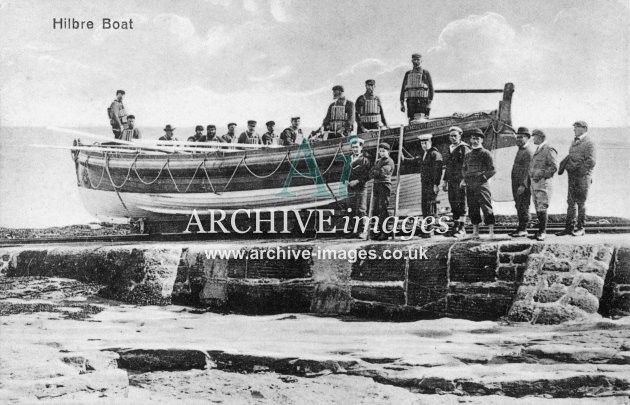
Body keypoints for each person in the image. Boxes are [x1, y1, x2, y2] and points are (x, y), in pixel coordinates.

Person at [557, 121, 595, 236]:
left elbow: (591, 161)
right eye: (574, 127)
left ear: (584, 128)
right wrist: (563, 166)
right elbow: (571, 156)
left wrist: (575, 167)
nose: (574, 129)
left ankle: (581, 228)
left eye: (576, 127)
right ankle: (569, 228)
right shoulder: (574, 142)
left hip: (583, 177)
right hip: (572, 177)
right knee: (570, 203)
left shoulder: (589, 143)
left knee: (581, 203)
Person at [404, 134, 443, 238]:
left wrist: (436, 184)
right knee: (425, 206)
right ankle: (428, 228)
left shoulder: (435, 154)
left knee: (431, 206)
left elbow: (438, 170)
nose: (424, 145)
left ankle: (430, 229)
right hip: (424, 184)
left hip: (431, 184)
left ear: (430, 142)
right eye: (422, 143)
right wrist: (403, 158)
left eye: (426, 143)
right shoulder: (424, 154)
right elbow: (415, 161)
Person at [461, 128, 496, 238]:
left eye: (477, 139)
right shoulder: (468, 155)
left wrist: (482, 177)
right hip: (470, 185)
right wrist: (464, 179)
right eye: (473, 139)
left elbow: (493, 170)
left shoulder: (486, 154)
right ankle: (475, 233)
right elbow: (464, 168)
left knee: (486, 207)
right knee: (473, 208)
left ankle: (491, 233)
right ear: (470, 140)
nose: (475, 141)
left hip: (481, 185)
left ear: (481, 140)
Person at [528, 129, 558, 241]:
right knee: (537, 207)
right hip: (535, 184)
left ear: (541, 137)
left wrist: (542, 174)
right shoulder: (539, 149)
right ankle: (540, 231)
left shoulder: (548, 149)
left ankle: (543, 232)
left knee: (542, 207)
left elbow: (554, 167)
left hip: (543, 184)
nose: (533, 139)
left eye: (534, 136)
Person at [442, 126, 470, 238]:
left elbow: (467, 165)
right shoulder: (451, 148)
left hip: (460, 180)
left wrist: (464, 179)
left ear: (460, 135)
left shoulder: (464, 148)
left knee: (462, 203)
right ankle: (455, 226)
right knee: (453, 202)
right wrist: (444, 181)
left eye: (455, 136)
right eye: (451, 136)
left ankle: (462, 228)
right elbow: (448, 167)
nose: (453, 138)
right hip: (451, 181)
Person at [510, 127, 535, 237]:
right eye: (517, 137)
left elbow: (529, 171)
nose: (518, 139)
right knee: (519, 205)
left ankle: (523, 229)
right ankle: (520, 227)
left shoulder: (528, 152)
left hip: (522, 185)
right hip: (516, 183)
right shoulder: (521, 150)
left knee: (523, 205)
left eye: (521, 137)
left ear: (527, 138)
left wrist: (523, 185)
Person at [345, 136, 371, 237]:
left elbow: (368, 175)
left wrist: (357, 181)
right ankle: (354, 230)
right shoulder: (348, 159)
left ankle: (363, 231)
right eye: (353, 147)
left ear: (361, 148)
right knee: (351, 209)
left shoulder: (365, 160)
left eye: (357, 147)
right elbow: (345, 172)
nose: (355, 149)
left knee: (361, 209)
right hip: (350, 188)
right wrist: (345, 181)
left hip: (361, 188)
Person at [369, 142, 395, 240]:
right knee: (376, 209)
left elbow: (382, 173)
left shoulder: (389, 161)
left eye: (383, 151)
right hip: (377, 185)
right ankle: (379, 231)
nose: (381, 153)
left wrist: (375, 171)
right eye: (380, 151)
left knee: (383, 208)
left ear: (388, 151)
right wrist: (375, 171)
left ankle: (385, 232)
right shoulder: (378, 161)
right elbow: (371, 172)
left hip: (384, 185)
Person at [400, 53, 434, 122]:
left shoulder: (425, 72)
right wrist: (402, 103)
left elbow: (431, 88)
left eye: (418, 60)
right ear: (412, 61)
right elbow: (403, 88)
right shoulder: (408, 73)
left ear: (421, 61)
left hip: (422, 101)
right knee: (411, 120)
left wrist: (429, 103)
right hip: (411, 101)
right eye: (414, 60)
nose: (416, 61)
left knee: (422, 120)